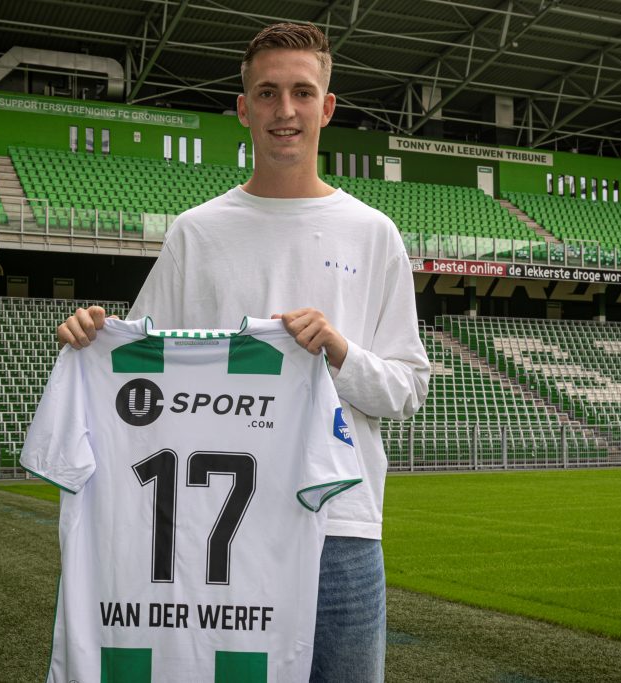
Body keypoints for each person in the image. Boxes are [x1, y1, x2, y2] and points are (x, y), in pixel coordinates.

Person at [57, 22, 429, 682]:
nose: (285, 110)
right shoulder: (196, 234)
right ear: (243, 107)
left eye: (302, 92)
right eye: (267, 93)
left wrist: (339, 352)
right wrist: (93, 339)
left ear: (327, 107)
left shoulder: (374, 234)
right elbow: (141, 371)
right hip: (219, 533)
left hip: (339, 527)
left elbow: (407, 389)